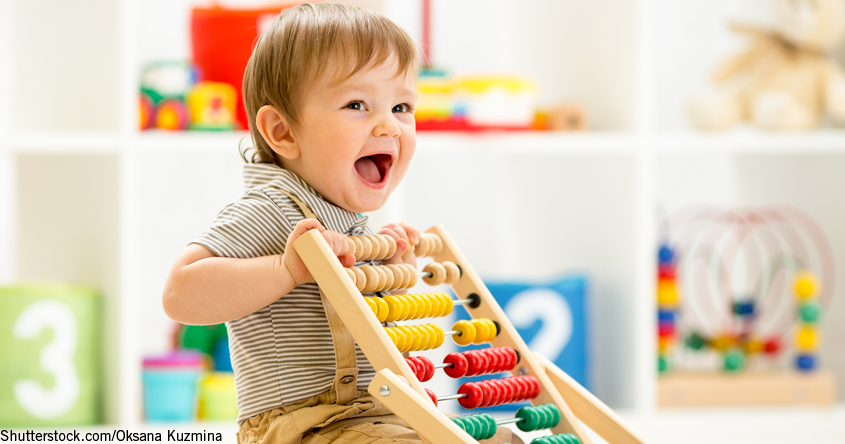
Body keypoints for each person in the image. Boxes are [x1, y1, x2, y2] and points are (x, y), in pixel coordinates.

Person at [163, 4, 518, 443]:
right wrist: (286, 269)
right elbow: (180, 293)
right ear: (283, 132)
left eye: (403, 106)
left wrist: (392, 273)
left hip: (377, 414)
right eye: (357, 104)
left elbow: (357, 321)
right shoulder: (273, 208)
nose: (389, 125)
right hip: (302, 425)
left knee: (505, 439)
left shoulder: (349, 220)